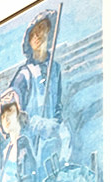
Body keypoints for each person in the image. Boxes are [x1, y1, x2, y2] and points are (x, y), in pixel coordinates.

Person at [10, 9, 71, 169]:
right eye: (33, 33)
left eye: (42, 29)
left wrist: (57, 125)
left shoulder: (55, 69)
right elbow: (15, 114)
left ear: (49, 33)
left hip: (53, 139)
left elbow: (57, 103)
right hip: (32, 143)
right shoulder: (24, 74)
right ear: (29, 40)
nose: (37, 36)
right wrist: (37, 124)